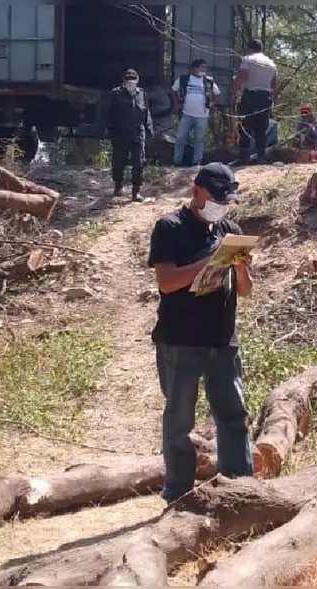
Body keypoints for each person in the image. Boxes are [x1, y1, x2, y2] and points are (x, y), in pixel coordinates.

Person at [147, 162, 254, 503]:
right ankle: (179, 493)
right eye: (216, 198)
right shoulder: (170, 228)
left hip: (222, 339)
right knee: (179, 419)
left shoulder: (230, 230)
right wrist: (207, 264)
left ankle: (240, 489)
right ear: (197, 193)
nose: (221, 206)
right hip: (180, 340)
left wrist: (239, 266)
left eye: (226, 200)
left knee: (233, 414)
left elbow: (246, 290)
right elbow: (166, 282)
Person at [106, 68, 153, 202]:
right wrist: (106, 129)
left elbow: (146, 112)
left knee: (139, 162)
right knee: (118, 162)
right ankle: (118, 185)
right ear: (124, 81)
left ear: (137, 80)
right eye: (128, 80)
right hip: (120, 133)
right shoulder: (116, 94)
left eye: (133, 79)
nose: (131, 82)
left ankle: (136, 191)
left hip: (138, 132)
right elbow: (107, 112)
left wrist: (149, 128)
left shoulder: (142, 93)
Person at [231, 39, 277, 165]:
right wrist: (272, 99)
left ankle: (243, 157)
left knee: (245, 126)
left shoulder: (248, 59)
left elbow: (242, 77)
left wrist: (234, 93)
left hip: (251, 95)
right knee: (261, 127)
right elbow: (274, 84)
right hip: (265, 96)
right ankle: (261, 157)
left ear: (250, 48)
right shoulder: (271, 63)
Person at [172, 59, 220, 167]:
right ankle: (177, 161)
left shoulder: (208, 81)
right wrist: (176, 104)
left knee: (199, 139)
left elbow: (217, 93)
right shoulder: (184, 79)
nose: (204, 69)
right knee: (180, 137)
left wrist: (212, 103)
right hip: (186, 114)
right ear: (195, 68)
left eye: (205, 67)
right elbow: (174, 90)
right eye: (202, 67)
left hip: (202, 115)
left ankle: (196, 161)